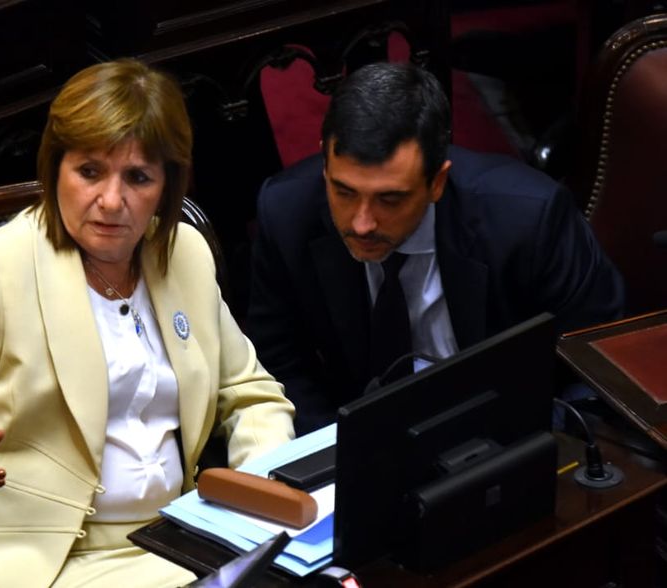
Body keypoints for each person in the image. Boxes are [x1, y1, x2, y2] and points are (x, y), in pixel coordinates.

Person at [0, 59, 295, 587]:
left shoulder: (183, 252)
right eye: (90, 171)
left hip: (177, 536)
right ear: (55, 169)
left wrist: (260, 497)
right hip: (43, 558)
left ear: (167, 187)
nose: (112, 201)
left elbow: (251, 393)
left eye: (138, 177)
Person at [247, 61, 624, 435]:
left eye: (390, 200)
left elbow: (600, 364)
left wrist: (518, 449)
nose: (361, 223)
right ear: (325, 165)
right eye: (343, 192)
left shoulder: (530, 220)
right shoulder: (287, 214)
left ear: (437, 182)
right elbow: (278, 362)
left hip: (503, 442)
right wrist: (340, 453)